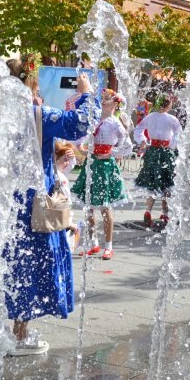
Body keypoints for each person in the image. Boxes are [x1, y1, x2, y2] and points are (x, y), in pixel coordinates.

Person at [0, 61, 93, 356]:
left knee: (2, 264)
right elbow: (81, 123)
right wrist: (86, 93)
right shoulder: (38, 115)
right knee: (30, 267)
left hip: (3, 203)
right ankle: (19, 336)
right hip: (32, 205)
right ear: (31, 87)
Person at [71, 89, 130, 260]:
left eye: (108, 99)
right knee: (89, 207)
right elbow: (83, 136)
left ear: (115, 104)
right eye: (103, 98)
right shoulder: (95, 119)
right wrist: (82, 146)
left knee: (105, 207)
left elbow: (128, 146)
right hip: (92, 164)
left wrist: (111, 153)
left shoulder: (115, 123)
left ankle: (109, 246)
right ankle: (94, 244)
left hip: (105, 166)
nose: (104, 101)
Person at [132, 93, 181, 226]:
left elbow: (138, 129)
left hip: (152, 150)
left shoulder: (150, 117)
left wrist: (142, 141)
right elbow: (178, 134)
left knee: (152, 182)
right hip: (166, 152)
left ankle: (148, 210)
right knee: (167, 183)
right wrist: (172, 145)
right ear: (168, 104)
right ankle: (165, 214)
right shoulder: (172, 119)